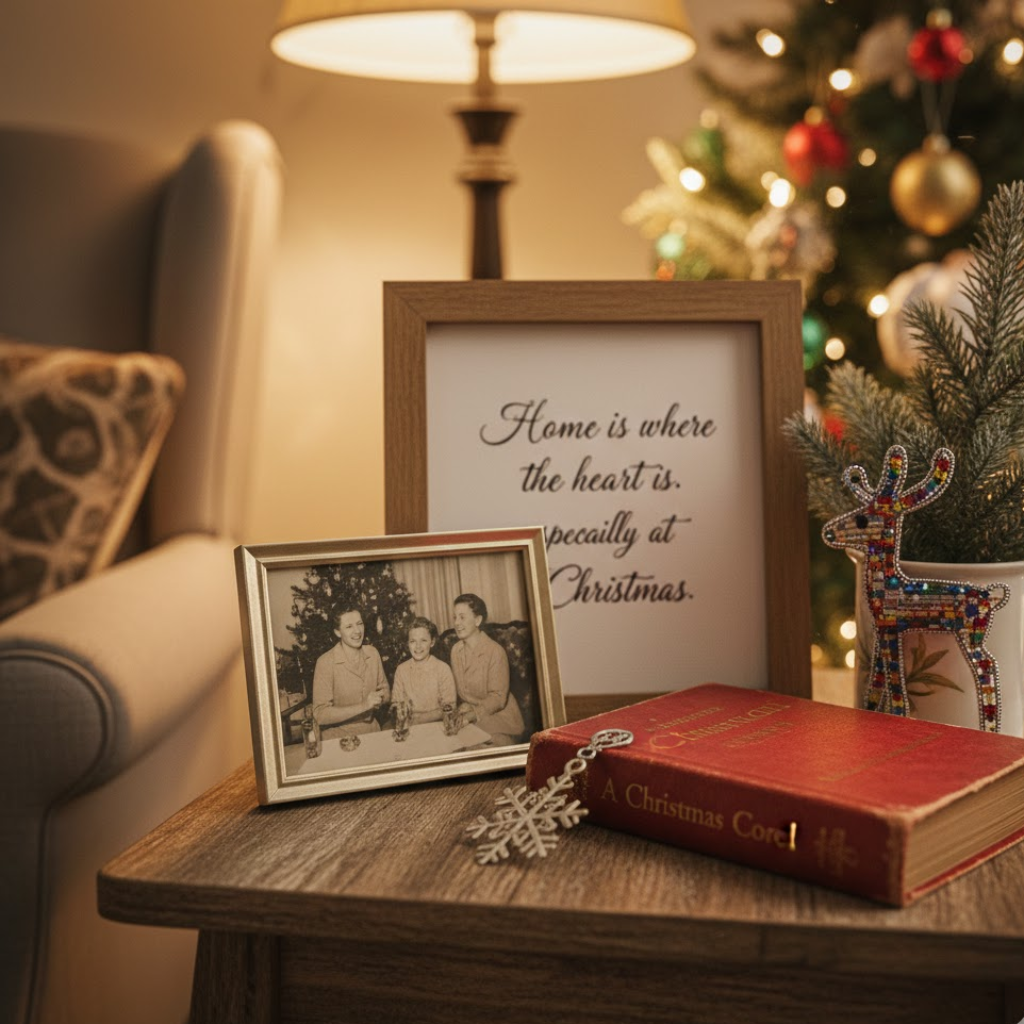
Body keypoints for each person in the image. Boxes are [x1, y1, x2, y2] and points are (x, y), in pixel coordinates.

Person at [449, 592, 525, 746]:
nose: (457, 623)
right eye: (455, 617)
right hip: (473, 718)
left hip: (502, 720)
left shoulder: (495, 651)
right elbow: (464, 693)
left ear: (477, 620)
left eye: (462, 617)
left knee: (477, 751)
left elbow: (498, 698)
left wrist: (470, 716)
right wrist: (464, 708)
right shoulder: (455, 651)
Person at [311, 605, 389, 736]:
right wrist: (364, 705)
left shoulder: (373, 653)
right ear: (337, 632)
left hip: (373, 731)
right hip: (338, 736)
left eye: (359, 624)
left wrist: (380, 698)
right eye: (349, 627)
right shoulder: (325, 662)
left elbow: (385, 691)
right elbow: (320, 714)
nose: (357, 631)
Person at [391, 616, 457, 725]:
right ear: (408, 644)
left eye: (423, 640)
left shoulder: (442, 669)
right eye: (413, 641)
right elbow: (396, 704)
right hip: (409, 726)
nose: (418, 646)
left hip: (437, 726)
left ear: (432, 642)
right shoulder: (401, 670)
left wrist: (421, 719)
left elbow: (450, 706)